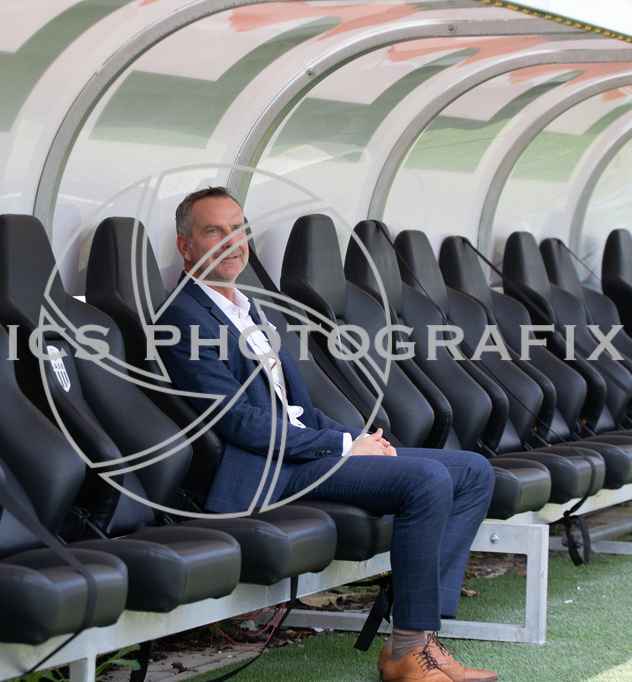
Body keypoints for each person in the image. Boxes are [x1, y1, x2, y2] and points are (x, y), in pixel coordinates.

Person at [156, 187, 498, 682]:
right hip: (262, 470)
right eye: (214, 231)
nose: (232, 241)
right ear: (186, 246)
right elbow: (238, 422)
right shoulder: (182, 317)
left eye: (238, 229)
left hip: (297, 454)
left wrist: (361, 441)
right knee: (425, 480)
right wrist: (342, 447)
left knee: (472, 470)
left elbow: (298, 409)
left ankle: (420, 641)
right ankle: (407, 651)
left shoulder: (248, 308)